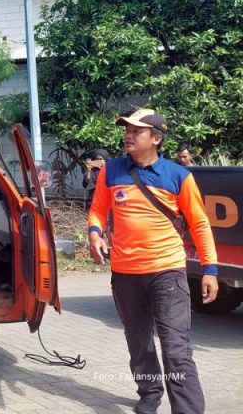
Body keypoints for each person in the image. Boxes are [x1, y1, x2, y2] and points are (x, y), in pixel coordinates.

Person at [87, 109, 219, 414]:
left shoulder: (178, 176)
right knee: (138, 341)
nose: (128, 135)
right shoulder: (112, 170)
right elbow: (97, 209)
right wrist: (94, 233)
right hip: (125, 273)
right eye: (127, 130)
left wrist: (210, 270)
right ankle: (149, 392)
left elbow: (199, 224)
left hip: (167, 273)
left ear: (156, 139)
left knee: (175, 348)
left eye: (137, 131)